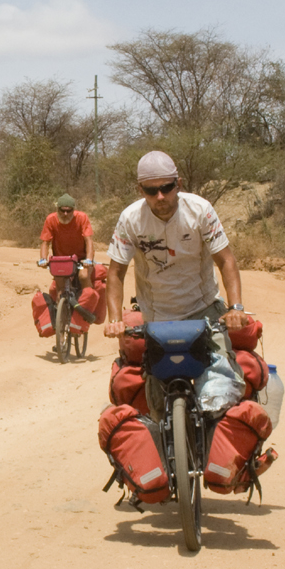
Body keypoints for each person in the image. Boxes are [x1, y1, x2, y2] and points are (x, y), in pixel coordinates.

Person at [102, 151, 248, 408]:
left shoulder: (200, 210)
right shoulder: (130, 219)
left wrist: (235, 308)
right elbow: (115, 273)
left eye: (167, 188)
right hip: (158, 319)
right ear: (140, 190)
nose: (160, 197)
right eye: (151, 190)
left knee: (221, 393)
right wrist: (114, 320)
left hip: (204, 313)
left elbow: (226, 260)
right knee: (157, 405)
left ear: (178, 184)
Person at [38, 194, 95, 290]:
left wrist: (89, 259)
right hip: (60, 259)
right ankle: (60, 304)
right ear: (57, 209)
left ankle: (88, 302)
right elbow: (45, 242)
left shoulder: (82, 218)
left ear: (73, 210)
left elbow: (88, 240)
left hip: (81, 259)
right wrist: (43, 259)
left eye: (69, 211)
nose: (65, 214)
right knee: (59, 287)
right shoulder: (51, 220)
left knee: (84, 277)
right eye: (62, 210)